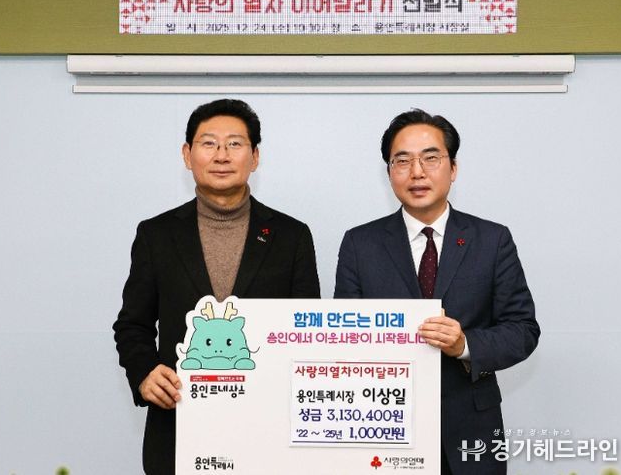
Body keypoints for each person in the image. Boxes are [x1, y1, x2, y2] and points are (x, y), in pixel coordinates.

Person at [113, 99, 321, 475]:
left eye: (235, 144)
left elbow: (307, 331)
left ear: (255, 157)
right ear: (187, 154)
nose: (221, 155)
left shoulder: (292, 236)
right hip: (178, 423)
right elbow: (133, 325)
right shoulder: (156, 235)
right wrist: (145, 372)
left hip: (269, 430)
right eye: (208, 143)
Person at [334, 109, 539, 475]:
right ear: (389, 172)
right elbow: (343, 337)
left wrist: (465, 345)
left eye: (431, 158)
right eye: (402, 161)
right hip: (383, 427)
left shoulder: (492, 240)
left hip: (471, 429)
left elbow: (523, 330)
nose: (417, 172)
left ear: (453, 168)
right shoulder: (359, 244)